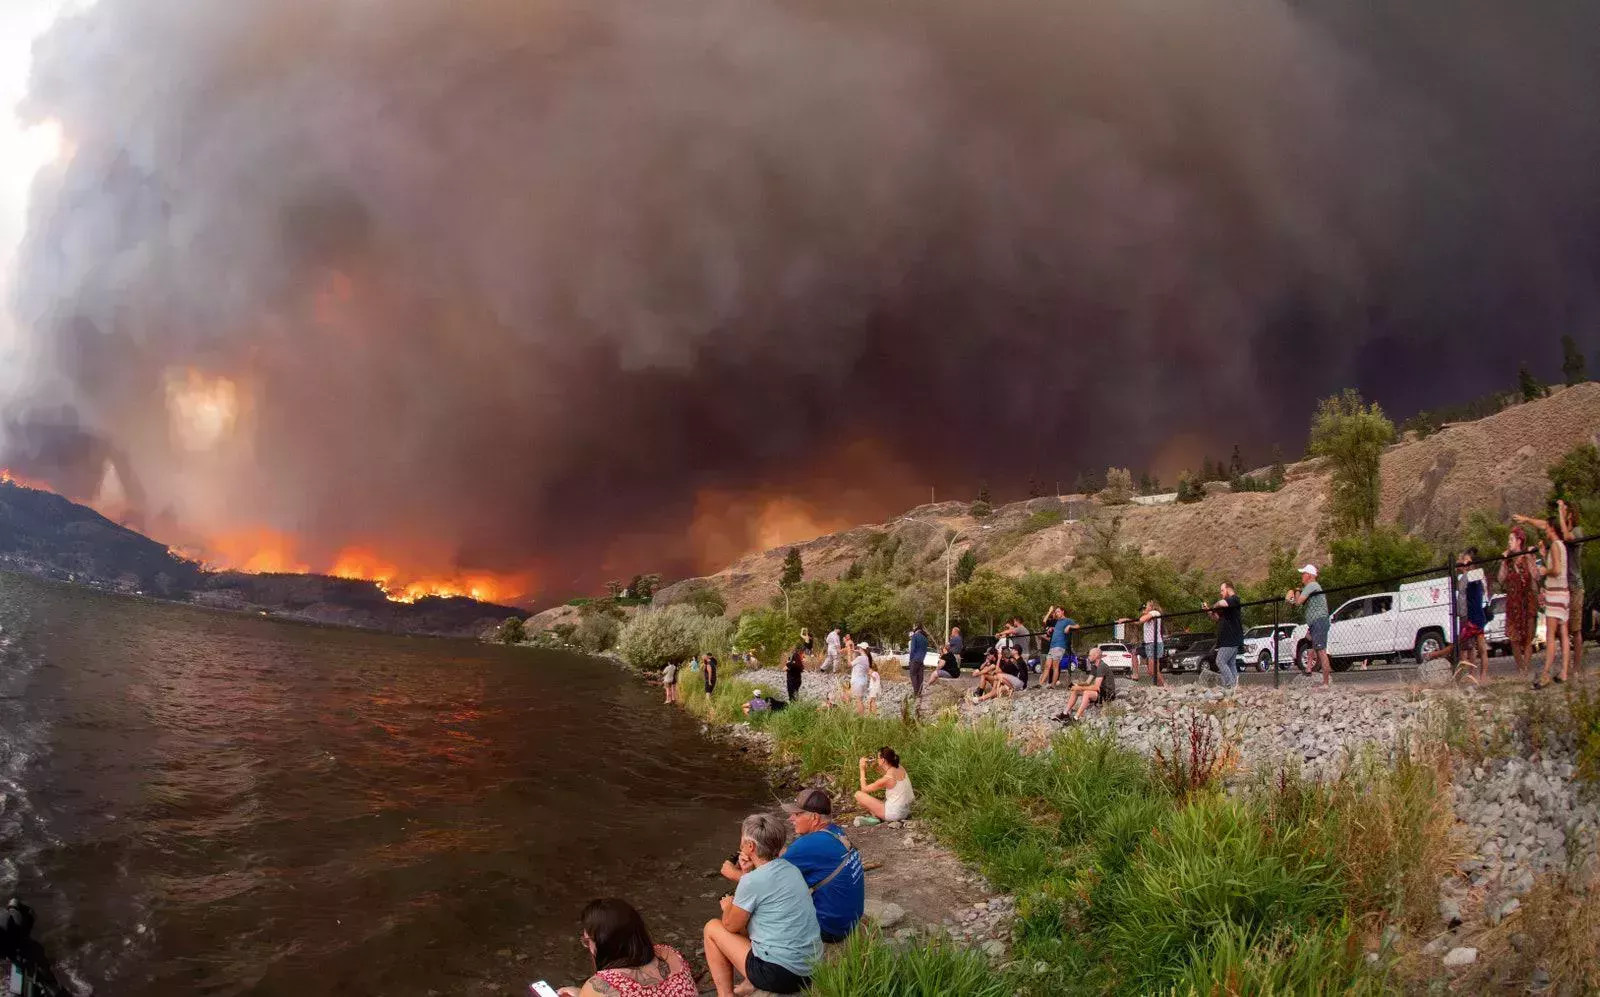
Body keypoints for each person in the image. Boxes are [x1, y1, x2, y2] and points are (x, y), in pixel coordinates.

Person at [723, 789, 865, 945]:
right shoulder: (833, 833)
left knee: (752, 911)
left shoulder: (809, 844)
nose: (791, 818)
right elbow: (783, 856)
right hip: (849, 919)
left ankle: (755, 954)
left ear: (815, 818)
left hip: (829, 928)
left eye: (797, 814)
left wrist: (735, 874)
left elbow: (764, 883)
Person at [703, 814, 822, 997]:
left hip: (782, 974)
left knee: (712, 928)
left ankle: (725, 995)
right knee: (758, 920)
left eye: (742, 841)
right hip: (811, 968)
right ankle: (751, 983)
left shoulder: (752, 882)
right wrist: (747, 872)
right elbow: (765, 897)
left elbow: (731, 925)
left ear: (750, 847)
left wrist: (728, 905)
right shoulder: (791, 869)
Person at [556, 898, 698, 997]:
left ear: (604, 943)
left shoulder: (602, 984)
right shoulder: (670, 954)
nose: (588, 948)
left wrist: (586, 992)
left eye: (588, 942)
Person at [1517, 505, 1572, 688]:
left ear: (1552, 528)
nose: (1545, 530)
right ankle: (1564, 671)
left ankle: (1546, 674)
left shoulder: (1556, 545)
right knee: (1563, 634)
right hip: (1563, 593)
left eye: (1547, 527)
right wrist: (1543, 555)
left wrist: (1544, 570)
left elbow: (1555, 570)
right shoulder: (1561, 546)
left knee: (1550, 635)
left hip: (1555, 595)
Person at [1498, 527, 1539, 677]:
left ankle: (1526, 668)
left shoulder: (1527, 556)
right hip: (1513, 603)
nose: (1509, 543)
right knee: (1513, 638)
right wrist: (1503, 561)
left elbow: (1536, 576)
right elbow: (1501, 579)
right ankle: (1521, 669)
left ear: (1519, 541)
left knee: (1528, 637)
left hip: (1527, 602)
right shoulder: (1508, 561)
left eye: (1511, 540)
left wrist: (1529, 558)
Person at [1287, 565, 1331, 686]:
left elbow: (1298, 602)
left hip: (1318, 622)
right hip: (1315, 623)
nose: (1302, 576)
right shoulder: (1312, 587)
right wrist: (1294, 595)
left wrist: (1295, 592)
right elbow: (1297, 603)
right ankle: (1309, 668)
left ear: (1310, 576)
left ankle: (1326, 683)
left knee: (1321, 651)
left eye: (1304, 573)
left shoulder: (1311, 585)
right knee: (1310, 640)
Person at [854, 747, 914, 822]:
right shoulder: (900, 768)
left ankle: (877, 818)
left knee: (858, 794)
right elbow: (889, 774)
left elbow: (864, 789)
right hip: (906, 811)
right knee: (883, 801)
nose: (876, 760)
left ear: (883, 760)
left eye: (878, 758)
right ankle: (877, 816)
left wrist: (862, 770)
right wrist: (875, 767)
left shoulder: (887, 779)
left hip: (894, 814)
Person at [1561, 503, 1585, 673]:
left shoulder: (1577, 531)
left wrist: (1561, 514)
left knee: (1575, 629)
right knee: (1563, 628)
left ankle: (1576, 668)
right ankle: (1567, 666)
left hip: (1575, 586)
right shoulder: (1564, 533)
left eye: (1564, 512)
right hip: (1564, 587)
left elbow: (1568, 537)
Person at [1060, 646, 1116, 720]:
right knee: (1075, 690)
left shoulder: (1101, 667)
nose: (1088, 657)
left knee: (1087, 693)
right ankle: (1065, 713)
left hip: (1108, 694)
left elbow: (1096, 687)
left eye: (1089, 655)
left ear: (1096, 656)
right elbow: (1087, 682)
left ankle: (1076, 718)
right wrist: (1078, 684)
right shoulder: (1094, 666)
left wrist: (1079, 687)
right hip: (1100, 691)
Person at [1206, 585, 1242, 690]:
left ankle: (1230, 684)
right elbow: (1217, 618)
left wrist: (1214, 606)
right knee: (1231, 663)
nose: (1221, 593)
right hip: (1225, 638)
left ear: (1228, 589)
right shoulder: (1226, 608)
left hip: (1231, 638)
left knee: (1220, 661)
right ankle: (1235, 686)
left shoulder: (1234, 599)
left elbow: (1221, 603)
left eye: (1222, 590)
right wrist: (1209, 610)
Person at [1137, 601, 1165, 687]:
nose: (1143, 611)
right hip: (1149, 644)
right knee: (1151, 671)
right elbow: (1137, 622)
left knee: (1153, 670)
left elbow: (1141, 620)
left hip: (1154, 644)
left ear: (1151, 607)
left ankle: (1165, 686)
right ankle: (1161, 686)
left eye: (1144, 608)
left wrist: (1128, 620)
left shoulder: (1155, 612)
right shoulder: (1148, 616)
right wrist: (1125, 620)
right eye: (1142, 609)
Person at [907, 622, 930, 701]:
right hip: (921, 659)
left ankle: (915, 693)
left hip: (915, 659)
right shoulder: (925, 638)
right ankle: (919, 693)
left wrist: (910, 659)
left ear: (916, 629)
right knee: (920, 676)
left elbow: (912, 649)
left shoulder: (915, 636)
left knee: (913, 675)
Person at [849, 643, 872, 716]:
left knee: (858, 701)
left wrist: (849, 654)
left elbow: (849, 664)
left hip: (857, 682)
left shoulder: (860, 658)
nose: (857, 648)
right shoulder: (866, 658)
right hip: (863, 681)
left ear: (861, 649)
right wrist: (857, 651)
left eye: (859, 647)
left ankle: (860, 717)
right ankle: (861, 715)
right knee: (860, 700)